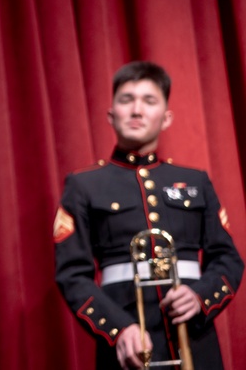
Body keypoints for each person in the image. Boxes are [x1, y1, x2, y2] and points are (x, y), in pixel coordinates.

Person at [54, 60, 244, 369]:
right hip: (126, 346)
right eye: (126, 100)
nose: (137, 110)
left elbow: (227, 258)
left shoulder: (196, 181)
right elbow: (72, 274)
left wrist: (199, 297)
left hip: (194, 340)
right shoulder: (83, 185)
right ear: (111, 114)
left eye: (149, 100)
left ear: (166, 118)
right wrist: (118, 329)